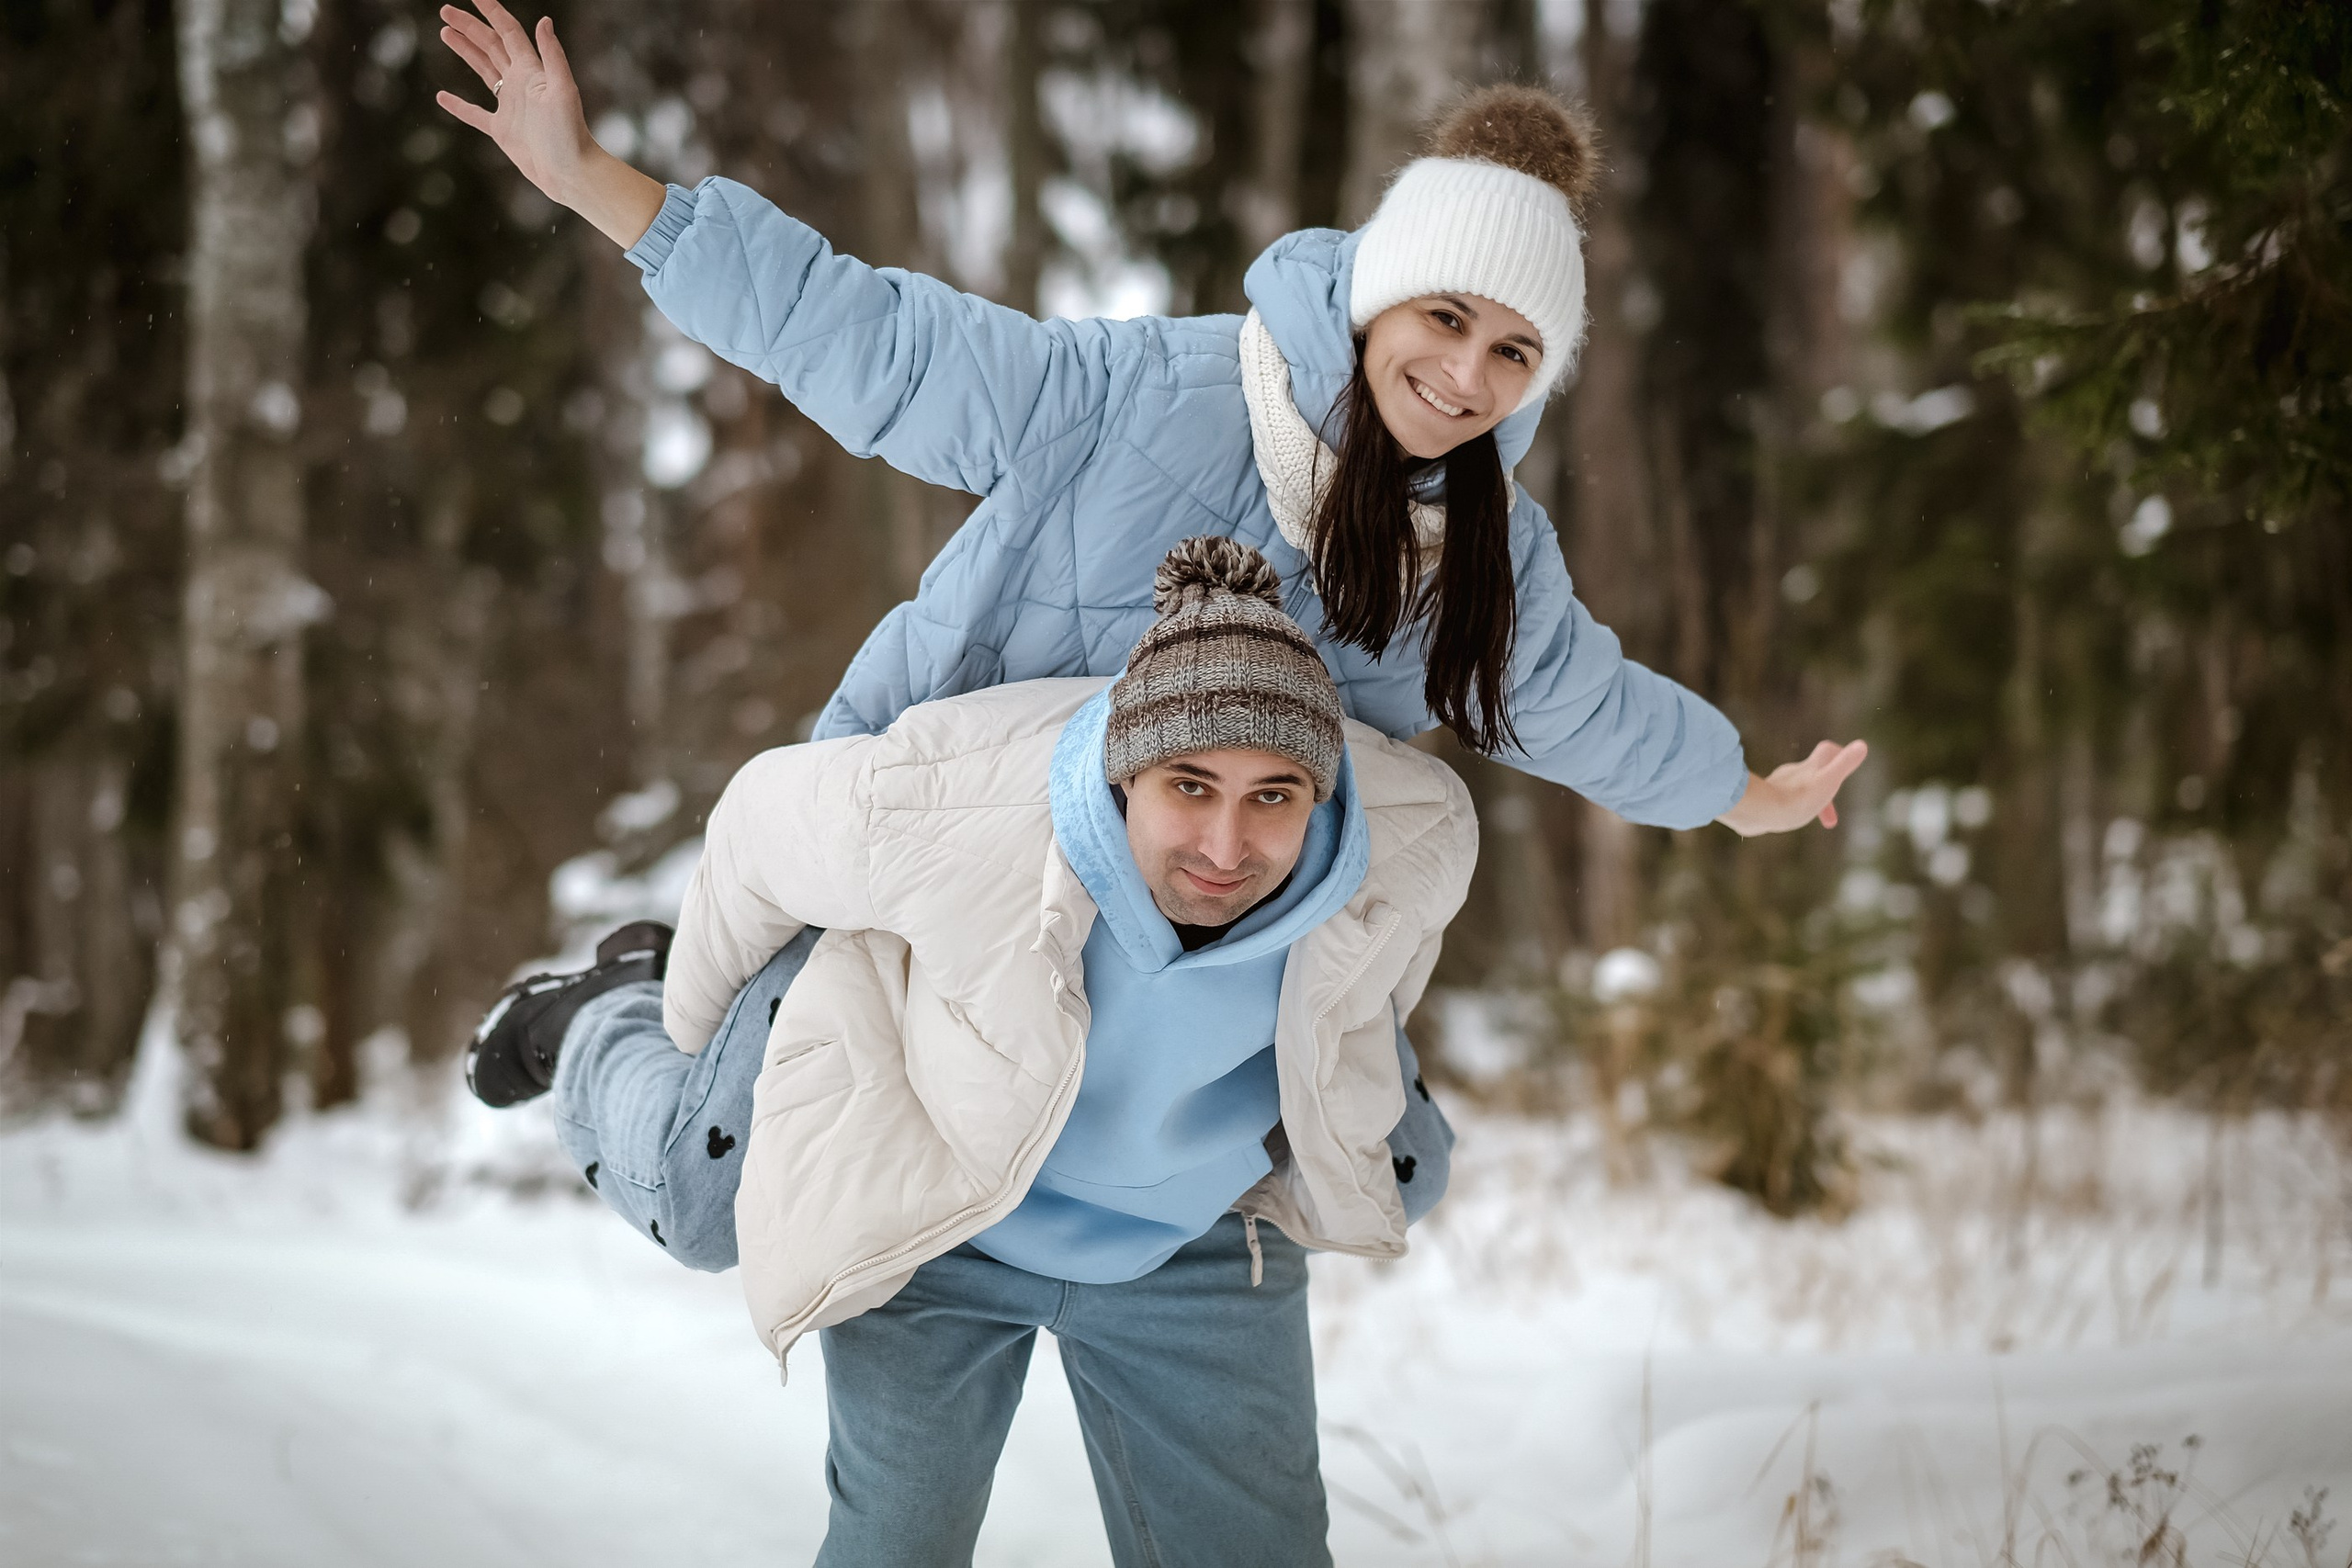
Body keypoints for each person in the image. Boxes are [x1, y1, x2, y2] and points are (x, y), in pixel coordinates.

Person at [435, 8, 1863, 1258]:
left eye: (1514, 351)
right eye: (1444, 316)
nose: (1466, 375)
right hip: (956, 850)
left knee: (1402, 1167)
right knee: (704, 1196)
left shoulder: (1484, 550)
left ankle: (1152, 1234)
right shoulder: (1136, 391)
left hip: (1218, 904)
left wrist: (1738, 791)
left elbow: (1582, 703)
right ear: (1377, 291)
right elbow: (873, 340)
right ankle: (609, 1008)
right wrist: (605, 189)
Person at [482, 538, 1478, 1564]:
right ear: (1126, 772)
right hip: (940, 1202)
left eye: (1271, 796)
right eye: (1188, 786)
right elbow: (754, 826)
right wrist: (685, 1049)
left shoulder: (1409, 842)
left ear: (1317, 798)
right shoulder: (948, 803)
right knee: (897, 1540)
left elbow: (1371, 999)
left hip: (1191, 1239)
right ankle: (600, 1014)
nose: (1225, 848)